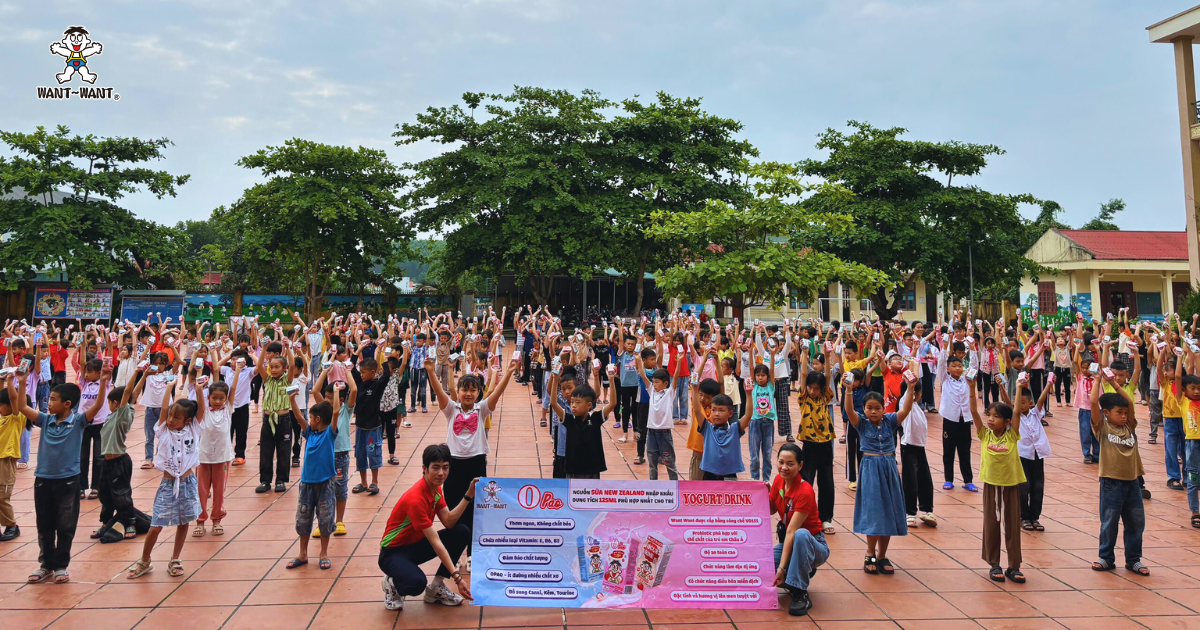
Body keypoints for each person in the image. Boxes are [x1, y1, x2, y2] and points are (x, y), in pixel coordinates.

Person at [10, 365, 108, 584]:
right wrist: (22, 381)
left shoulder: (79, 422)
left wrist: (102, 382)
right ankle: (46, 565)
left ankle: (61, 565)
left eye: (53, 399)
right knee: (44, 526)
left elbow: (99, 404)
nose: (48, 402)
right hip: (43, 480)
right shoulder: (45, 420)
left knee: (65, 526)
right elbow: (22, 406)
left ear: (67, 404)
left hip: (68, 482)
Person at [425, 350, 516, 571]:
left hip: (476, 463)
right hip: (453, 465)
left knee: (477, 509)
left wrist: (509, 373)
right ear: (458, 391)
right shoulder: (450, 409)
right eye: (464, 389)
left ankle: (474, 552)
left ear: (478, 392)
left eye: (473, 389)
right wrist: (430, 371)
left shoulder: (482, 409)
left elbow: (498, 393)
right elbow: (438, 389)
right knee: (455, 507)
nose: (468, 393)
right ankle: (456, 552)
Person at [127, 373, 206, 579]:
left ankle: (175, 559)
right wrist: (170, 387)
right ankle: (145, 560)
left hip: (188, 483)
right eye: (170, 416)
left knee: (184, 522)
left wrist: (198, 390)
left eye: (176, 417)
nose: (170, 420)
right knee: (156, 525)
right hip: (168, 484)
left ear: (187, 420)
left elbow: (201, 411)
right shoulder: (163, 430)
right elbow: (164, 410)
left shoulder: (194, 430)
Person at [379, 444, 474, 611]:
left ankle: (436, 588)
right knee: (416, 584)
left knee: (461, 532)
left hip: (414, 546)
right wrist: (457, 578)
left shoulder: (435, 489)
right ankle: (392, 583)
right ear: (425, 468)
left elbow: (449, 521)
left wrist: (468, 495)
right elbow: (436, 542)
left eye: (445, 468)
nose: (441, 473)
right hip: (392, 553)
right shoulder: (416, 499)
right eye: (435, 467)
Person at [1089, 339, 1148, 577]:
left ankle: (1133, 560)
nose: (1123, 416)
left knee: (1135, 523)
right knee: (1109, 522)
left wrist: (1114, 383)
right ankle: (1106, 558)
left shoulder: (1130, 427)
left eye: (1125, 413)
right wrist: (1097, 382)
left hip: (1132, 481)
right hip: (1111, 482)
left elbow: (1130, 403)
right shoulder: (1102, 428)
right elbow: (1094, 402)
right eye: (1119, 413)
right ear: (1107, 414)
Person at [843, 377, 911, 576]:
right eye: (869, 408)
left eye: (877, 408)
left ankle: (882, 555)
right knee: (873, 511)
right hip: (871, 468)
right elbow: (849, 411)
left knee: (889, 510)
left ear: (884, 409)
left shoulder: (890, 421)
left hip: (889, 467)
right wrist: (848, 391)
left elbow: (905, 410)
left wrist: (911, 389)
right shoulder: (861, 423)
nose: (873, 411)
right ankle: (870, 553)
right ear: (863, 409)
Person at [968, 376, 1025, 583]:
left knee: (1012, 526)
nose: (990, 419)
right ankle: (994, 564)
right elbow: (974, 411)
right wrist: (972, 387)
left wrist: (1018, 387)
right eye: (989, 415)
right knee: (991, 524)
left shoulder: (1012, 435)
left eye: (996, 416)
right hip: (991, 486)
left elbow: (1017, 411)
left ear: (1007, 422)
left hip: (1010, 486)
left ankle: (1014, 566)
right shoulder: (985, 434)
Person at [768, 443, 828, 617]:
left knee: (801, 534)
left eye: (790, 464)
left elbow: (791, 532)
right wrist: (763, 493)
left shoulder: (805, 492)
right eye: (781, 462)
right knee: (761, 566)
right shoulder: (779, 480)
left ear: (800, 465)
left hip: (814, 544)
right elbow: (771, 509)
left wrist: (781, 568)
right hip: (793, 543)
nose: (784, 467)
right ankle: (800, 571)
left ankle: (799, 591)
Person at [287, 391, 337, 571]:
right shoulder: (309, 433)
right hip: (307, 483)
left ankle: (323, 553)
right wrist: (292, 400)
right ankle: (303, 553)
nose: (307, 420)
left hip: (325, 484)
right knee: (304, 518)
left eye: (311, 417)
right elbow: (298, 416)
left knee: (325, 519)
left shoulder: (330, 434)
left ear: (317, 419)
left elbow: (336, 412)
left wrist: (337, 393)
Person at [93, 372, 145, 543]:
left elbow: (129, 391)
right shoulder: (117, 413)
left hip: (119, 462)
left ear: (116, 403)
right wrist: (145, 375)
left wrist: (137, 371)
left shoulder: (122, 414)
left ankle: (130, 522)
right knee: (105, 495)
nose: (108, 404)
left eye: (109, 402)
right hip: (107, 462)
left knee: (121, 495)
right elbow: (134, 393)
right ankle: (107, 523)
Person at [548, 363, 615, 479]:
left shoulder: (596, 418)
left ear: (589, 405)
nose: (573, 406)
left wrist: (611, 380)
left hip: (592, 468)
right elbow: (553, 403)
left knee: (590, 495)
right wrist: (555, 379)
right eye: (572, 402)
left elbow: (613, 403)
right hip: (572, 468)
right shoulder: (568, 419)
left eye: (577, 403)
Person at [795, 348, 836, 534]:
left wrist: (827, 357)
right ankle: (807, 514)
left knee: (826, 481)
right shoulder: (803, 398)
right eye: (810, 387)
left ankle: (826, 518)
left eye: (816, 388)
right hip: (809, 445)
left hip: (826, 444)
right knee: (806, 481)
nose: (812, 390)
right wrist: (804, 354)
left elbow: (827, 375)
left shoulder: (825, 397)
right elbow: (804, 374)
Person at [194, 372, 236, 537]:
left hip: (222, 457)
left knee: (219, 490)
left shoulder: (228, 410)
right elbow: (200, 401)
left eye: (221, 398)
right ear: (208, 397)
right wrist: (199, 388)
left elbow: (232, 388)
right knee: (201, 491)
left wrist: (238, 369)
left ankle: (217, 519)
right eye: (214, 398)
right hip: (204, 457)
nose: (217, 401)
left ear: (226, 399)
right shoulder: (204, 412)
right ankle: (200, 520)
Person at [636, 347, 683, 480]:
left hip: (665, 433)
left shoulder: (669, 393)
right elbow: (643, 376)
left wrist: (678, 362)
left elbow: (676, 377)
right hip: (651, 432)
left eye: (657, 382)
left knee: (670, 463)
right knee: (652, 464)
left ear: (665, 383)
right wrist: (639, 360)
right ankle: (653, 487)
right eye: (654, 382)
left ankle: (674, 486)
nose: (654, 384)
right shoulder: (651, 390)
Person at [1013, 377, 1053, 532]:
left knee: (1038, 485)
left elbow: (1041, 400)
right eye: (1017, 402)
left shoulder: (1036, 413)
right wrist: (1004, 387)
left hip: (1037, 452)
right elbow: (1013, 407)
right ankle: (1023, 516)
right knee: (1024, 485)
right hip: (1022, 453)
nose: (1019, 405)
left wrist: (1049, 384)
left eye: (1023, 402)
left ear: (1030, 403)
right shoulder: (1015, 416)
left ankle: (1035, 516)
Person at [0, 375, 28, 541]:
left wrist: (10, 382)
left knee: (2, 496)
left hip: (5, 461)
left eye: (2, 404)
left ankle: (11, 525)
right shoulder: (2, 416)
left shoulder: (16, 418)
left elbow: (13, 397)